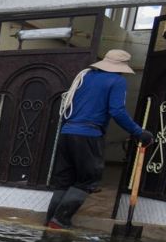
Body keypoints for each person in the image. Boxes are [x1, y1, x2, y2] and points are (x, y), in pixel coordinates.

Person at [46, 49, 154, 229]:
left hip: (67, 132)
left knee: (64, 180)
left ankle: (50, 219)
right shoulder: (117, 81)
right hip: (88, 135)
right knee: (88, 179)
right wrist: (138, 132)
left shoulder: (85, 76)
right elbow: (117, 111)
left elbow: (69, 106)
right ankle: (60, 220)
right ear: (121, 68)